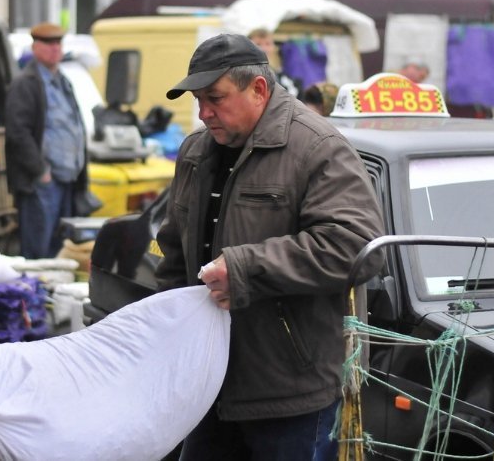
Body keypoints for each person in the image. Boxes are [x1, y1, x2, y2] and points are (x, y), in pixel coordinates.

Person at [156, 33, 385, 460]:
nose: (204, 113)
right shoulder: (194, 152)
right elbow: (174, 252)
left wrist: (245, 269)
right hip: (207, 382)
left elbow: (356, 244)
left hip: (291, 392)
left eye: (215, 98)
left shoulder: (316, 147)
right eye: (198, 100)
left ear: (258, 89)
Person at [5, 21, 93, 259]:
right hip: (43, 182)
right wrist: (40, 170)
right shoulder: (26, 83)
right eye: (48, 43)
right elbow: (17, 132)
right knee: (39, 253)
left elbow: (74, 124)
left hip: (67, 179)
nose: (55, 48)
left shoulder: (63, 81)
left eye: (58, 43)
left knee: (61, 249)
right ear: (35, 47)